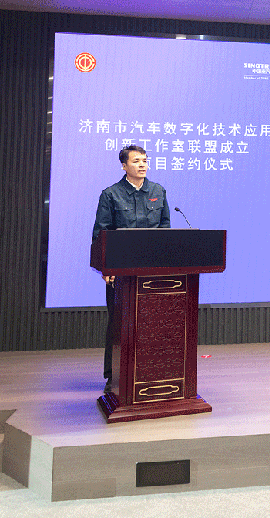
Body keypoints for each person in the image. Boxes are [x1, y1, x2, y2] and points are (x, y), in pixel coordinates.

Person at [92, 144, 171, 392]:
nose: (142, 165)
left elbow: (165, 229)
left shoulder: (158, 191)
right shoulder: (111, 194)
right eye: (136, 161)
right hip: (121, 271)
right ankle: (113, 376)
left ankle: (150, 372)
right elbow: (101, 233)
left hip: (151, 270)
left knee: (152, 323)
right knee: (119, 323)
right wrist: (107, 268)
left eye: (145, 160)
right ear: (124, 166)